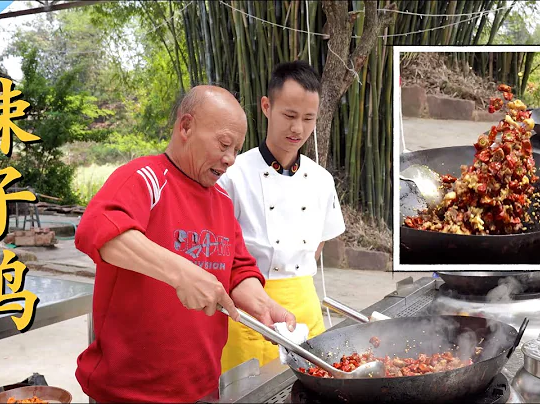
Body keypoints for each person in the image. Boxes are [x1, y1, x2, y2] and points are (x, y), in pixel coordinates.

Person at [73, 85, 296, 403]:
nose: (230, 159)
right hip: (128, 393)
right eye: (224, 144)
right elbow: (99, 230)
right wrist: (182, 273)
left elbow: (236, 271)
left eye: (236, 149)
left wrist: (262, 307)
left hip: (203, 387)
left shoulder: (220, 200)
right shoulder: (144, 178)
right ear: (186, 126)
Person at [218, 61, 346, 372]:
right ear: (266, 106)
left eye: (307, 119)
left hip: (306, 307)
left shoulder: (321, 180)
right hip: (249, 311)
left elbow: (318, 245)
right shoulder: (232, 175)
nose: (297, 129)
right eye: (289, 115)